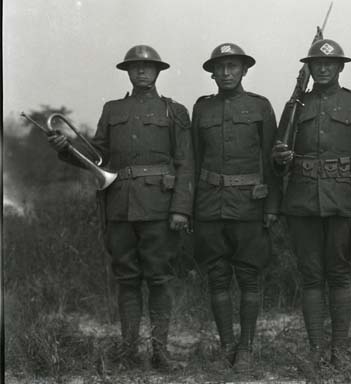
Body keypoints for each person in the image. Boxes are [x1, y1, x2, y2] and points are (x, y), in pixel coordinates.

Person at [47, 45, 193, 371]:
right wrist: (64, 149)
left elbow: (186, 163)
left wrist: (181, 208)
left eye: (147, 67)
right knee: (127, 279)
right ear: (127, 71)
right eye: (134, 67)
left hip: (160, 207)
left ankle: (160, 352)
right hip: (119, 206)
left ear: (158, 71)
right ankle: (130, 352)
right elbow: (96, 156)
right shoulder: (112, 110)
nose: (141, 72)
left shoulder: (175, 111)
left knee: (159, 279)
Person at [271, 38, 351, 369]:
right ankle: (317, 348)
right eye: (317, 64)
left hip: (343, 201)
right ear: (309, 67)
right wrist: (280, 157)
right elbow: (277, 158)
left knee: (340, 274)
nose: (323, 68)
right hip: (302, 201)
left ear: (340, 67)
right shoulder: (295, 106)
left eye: (329, 64)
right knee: (311, 276)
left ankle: (340, 350)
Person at [190, 43, 281, 373]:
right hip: (209, 205)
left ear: (244, 70)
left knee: (249, 278)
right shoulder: (202, 109)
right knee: (216, 276)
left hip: (249, 205)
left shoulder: (260, 107)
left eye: (233, 66)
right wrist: (189, 208)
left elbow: (272, 161)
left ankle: (246, 348)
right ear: (212, 73)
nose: (226, 73)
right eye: (221, 67)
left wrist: (272, 205)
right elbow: (193, 160)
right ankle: (226, 345)